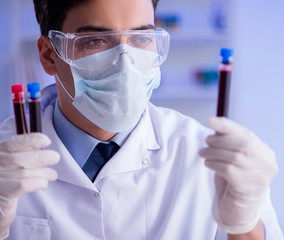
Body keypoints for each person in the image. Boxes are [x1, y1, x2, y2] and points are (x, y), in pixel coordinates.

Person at [0, 0, 283, 239]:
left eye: (141, 38)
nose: (125, 62)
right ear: (49, 55)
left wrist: (244, 225)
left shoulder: (203, 156)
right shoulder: (5, 162)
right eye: (96, 40)